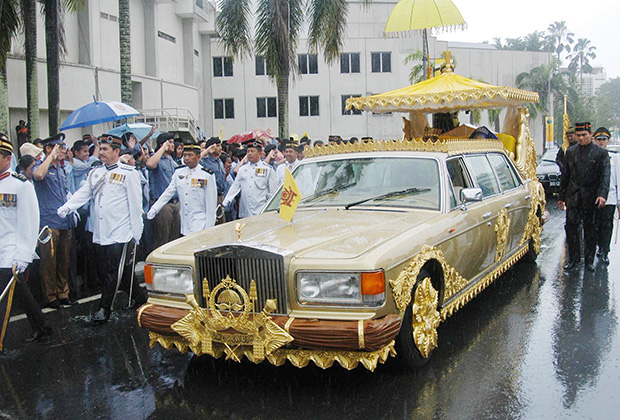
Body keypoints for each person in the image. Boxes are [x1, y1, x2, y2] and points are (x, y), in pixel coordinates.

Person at [58, 134, 146, 324]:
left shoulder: (129, 173)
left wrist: (136, 233)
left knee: (112, 272)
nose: (102, 152)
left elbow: (135, 205)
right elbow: (84, 193)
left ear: (116, 151)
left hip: (121, 232)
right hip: (101, 232)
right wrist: (68, 207)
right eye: (101, 148)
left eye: (106, 149)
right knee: (118, 272)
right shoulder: (96, 172)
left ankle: (104, 310)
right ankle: (141, 298)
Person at [0, 133, 51, 346]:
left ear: (6, 157)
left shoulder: (21, 185)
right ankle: (41, 326)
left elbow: (30, 223)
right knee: (20, 293)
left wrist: (24, 256)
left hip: (11, 252)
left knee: (3, 301)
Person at [558, 122, 610, 271]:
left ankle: (588, 260)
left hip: (591, 196)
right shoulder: (571, 152)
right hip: (574, 196)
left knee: (590, 229)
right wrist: (562, 196)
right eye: (578, 135)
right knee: (571, 227)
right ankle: (574, 259)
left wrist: (602, 195)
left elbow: (605, 176)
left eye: (584, 135)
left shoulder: (600, 153)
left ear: (590, 134)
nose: (581, 138)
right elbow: (566, 176)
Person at [32, 133, 76, 308]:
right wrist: (50, 156)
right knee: (48, 262)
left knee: (63, 260)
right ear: (49, 148)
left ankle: (62, 292)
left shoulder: (61, 170)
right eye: (60, 147)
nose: (63, 151)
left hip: (64, 220)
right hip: (49, 222)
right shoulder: (42, 165)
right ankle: (50, 296)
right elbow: (38, 176)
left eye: (64, 147)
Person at [147, 142, 217, 236]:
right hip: (185, 224)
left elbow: (211, 206)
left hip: (200, 224)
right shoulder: (179, 173)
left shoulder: (206, 175)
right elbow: (168, 192)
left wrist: (209, 229)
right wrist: (154, 209)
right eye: (185, 155)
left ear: (199, 157)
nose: (186, 158)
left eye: (190, 155)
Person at [222, 141, 278, 219]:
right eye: (248, 151)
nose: (249, 154)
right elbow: (235, 186)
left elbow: (273, 192)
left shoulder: (268, 170)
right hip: (245, 212)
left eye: (252, 151)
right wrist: (226, 201)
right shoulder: (242, 169)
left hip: (261, 212)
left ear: (259, 153)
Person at [146, 133, 180, 249]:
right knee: (162, 238)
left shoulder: (173, 161)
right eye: (169, 142)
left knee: (174, 238)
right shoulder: (158, 159)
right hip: (162, 204)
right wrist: (161, 149)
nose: (172, 144)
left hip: (175, 202)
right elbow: (150, 164)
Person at [592, 127, 619, 265]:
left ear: (608, 141)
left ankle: (604, 250)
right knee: (594, 224)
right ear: (594, 140)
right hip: (593, 197)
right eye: (599, 139)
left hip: (610, 197)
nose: (601, 142)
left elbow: (618, 180)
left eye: (604, 140)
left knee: (607, 225)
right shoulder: (591, 156)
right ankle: (597, 246)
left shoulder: (614, 157)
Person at [199, 137, 227, 223]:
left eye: (220, 145)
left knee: (221, 222)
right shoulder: (204, 161)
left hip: (220, 196)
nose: (220, 148)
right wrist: (207, 151)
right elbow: (196, 161)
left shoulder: (220, 162)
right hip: (211, 196)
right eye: (217, 146)